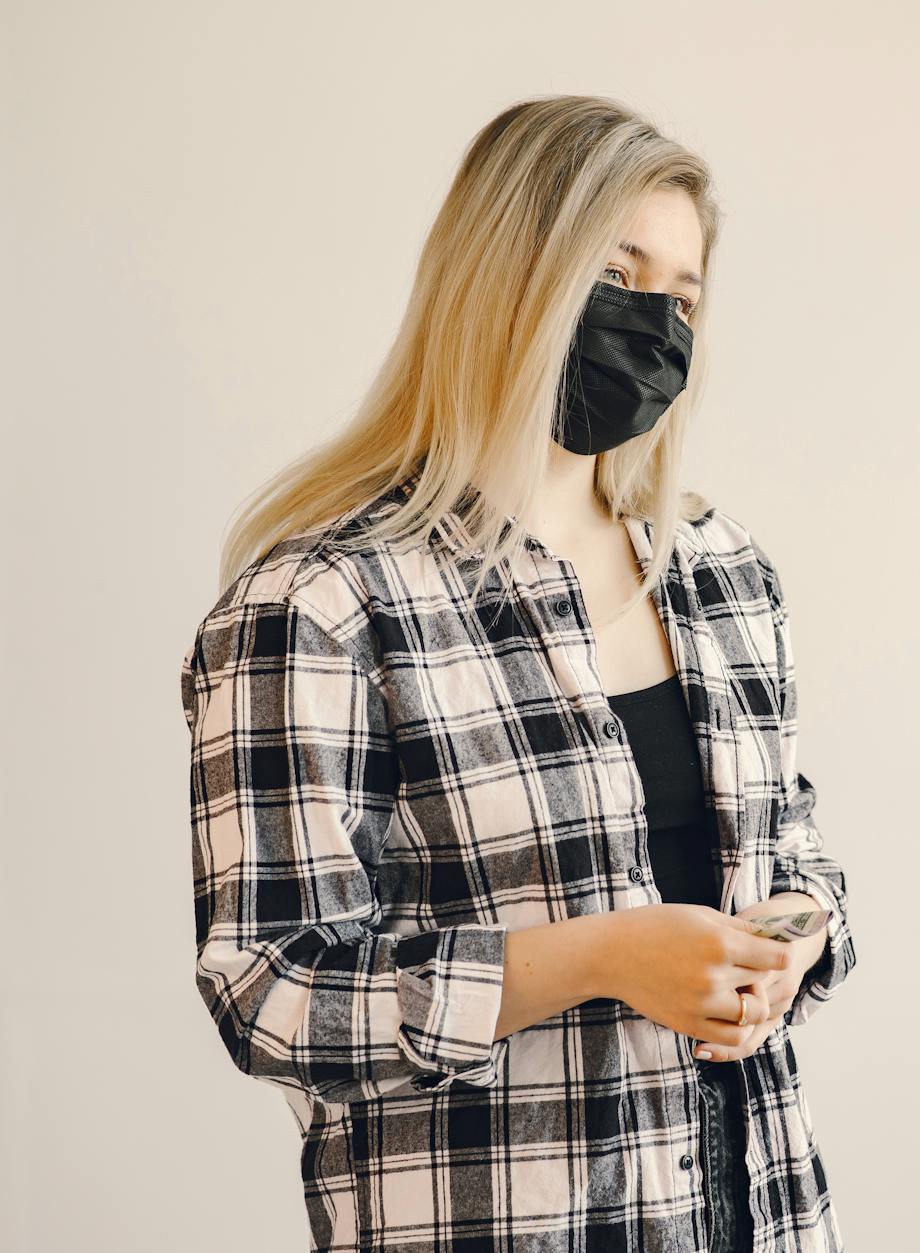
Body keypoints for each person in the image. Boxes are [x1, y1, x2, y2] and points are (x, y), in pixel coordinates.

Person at [180, 95, 856, 1253]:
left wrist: (795, 939)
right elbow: (273, 993)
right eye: (615, 273)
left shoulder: (725, 573)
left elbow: (797, 857)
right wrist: (598, 957)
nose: (653, 323)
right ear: (507, 277)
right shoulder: (323, 603)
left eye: (680, 296)